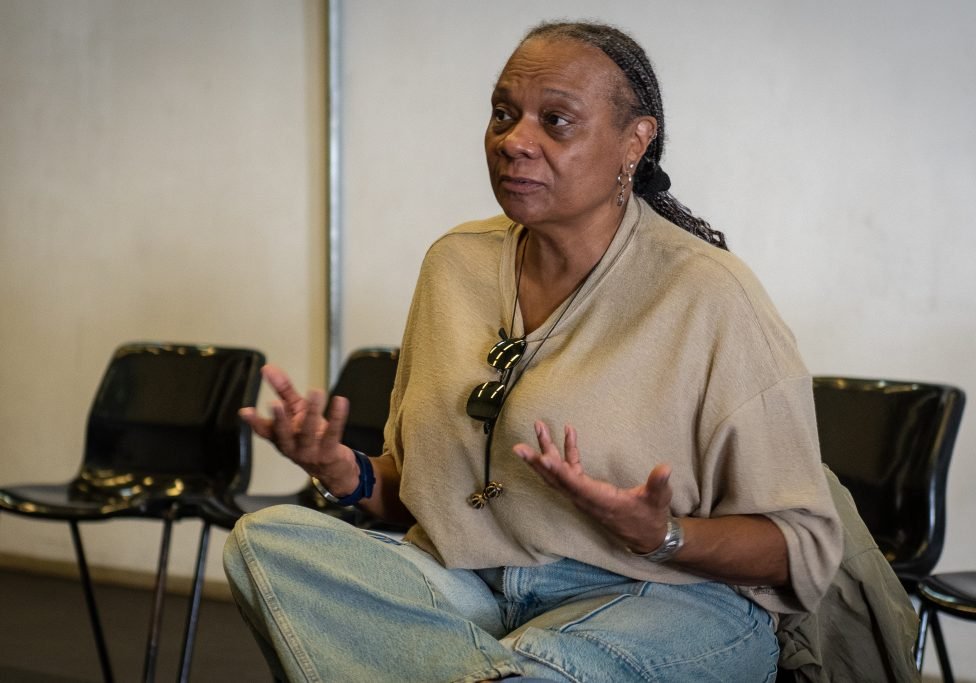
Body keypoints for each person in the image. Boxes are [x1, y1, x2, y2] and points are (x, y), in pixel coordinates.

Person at [224, 20, 842, 682]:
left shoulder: (710, 294)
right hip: (472, 586)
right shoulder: (452, 264)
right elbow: (427, 497)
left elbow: (800, 548)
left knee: (543, 665)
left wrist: (659, 533)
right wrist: (345, 470)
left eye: (556, 121)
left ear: (634, 141)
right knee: (265, 547)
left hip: (662, 597)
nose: (514, 141)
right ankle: (502, 674)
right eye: (502, 114)